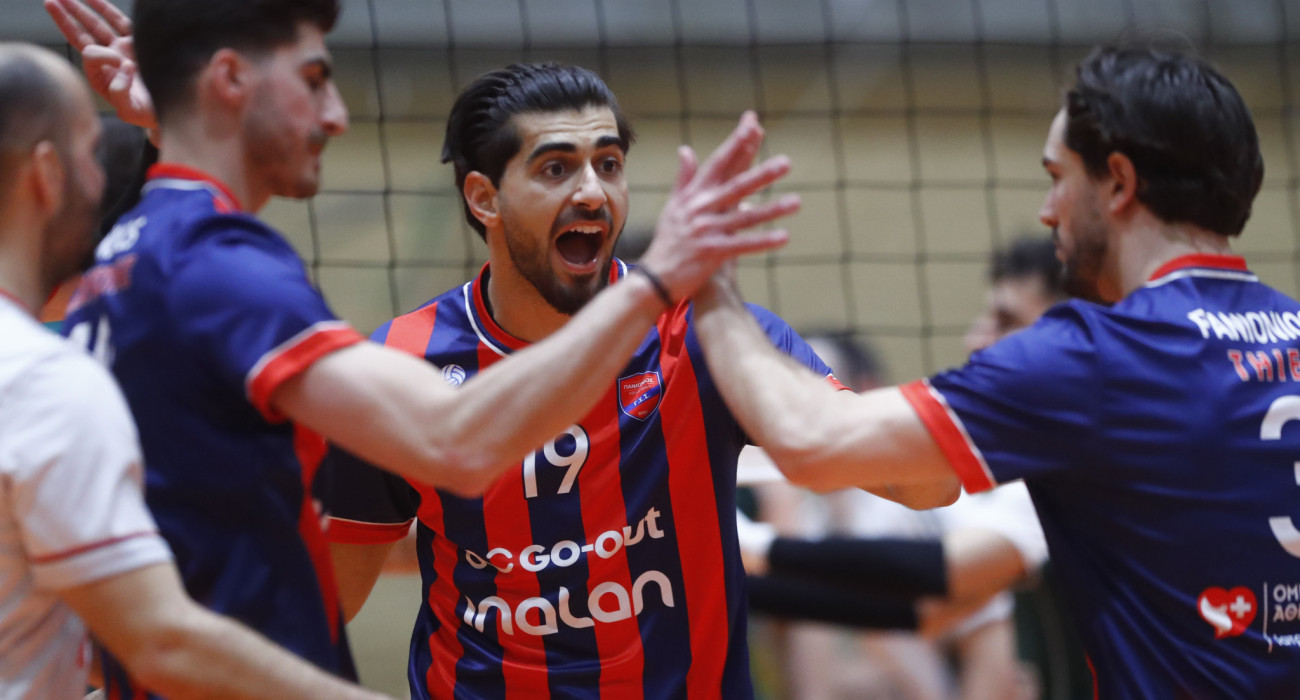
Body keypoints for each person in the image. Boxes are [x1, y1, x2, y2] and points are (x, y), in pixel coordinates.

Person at [46, 0, 796, 697]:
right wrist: (659, 280)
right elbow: (457, 440)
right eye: (315, 79)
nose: (336, 115)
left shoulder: (135, 249)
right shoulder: (226, 273)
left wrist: (181, 127)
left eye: (609, 163)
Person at [695, 45, 1300, 696]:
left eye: (1057, 176)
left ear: (1119, 183)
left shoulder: (1096, 357)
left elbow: (812, 440)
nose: (1048, 210)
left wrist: (707, 286)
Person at [317, 62, 831, 698]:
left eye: (608, 164)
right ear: (484, 198)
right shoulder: (402, 360)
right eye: (556, 168)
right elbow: (325, 604)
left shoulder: (707, 332)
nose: (592, 192)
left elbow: (901, 471)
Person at [0, 42, 395, 700]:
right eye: (89, 152)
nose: (100, 184)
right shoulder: (49, 381)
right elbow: (159, 639)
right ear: (47, 173)